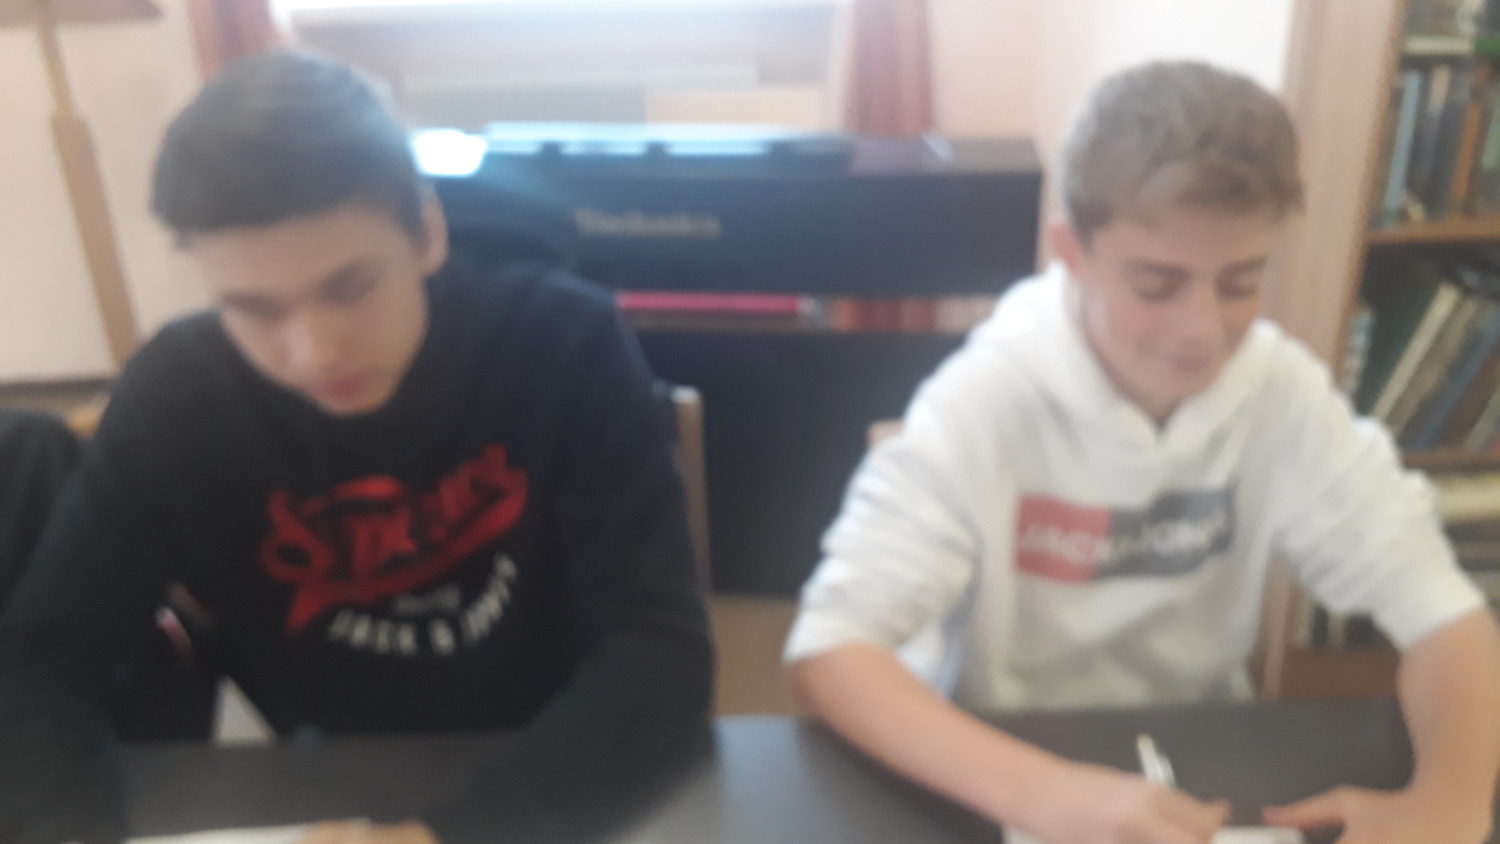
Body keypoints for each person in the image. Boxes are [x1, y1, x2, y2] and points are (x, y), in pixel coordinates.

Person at [0, 50, 712, 844]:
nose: (314, 353)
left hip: (567, 763)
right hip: (328, 770)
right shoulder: (176, 394)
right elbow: (42, 662)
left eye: (351, 287)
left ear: (427, 232)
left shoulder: (565, 343)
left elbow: (660, 661)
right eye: (254, 309)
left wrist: (449, 836)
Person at [785, 61, 1500, 844]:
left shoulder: (1280, 389)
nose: (1201, 331)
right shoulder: (985, 398)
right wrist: (1045, 795)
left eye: (1240, 283)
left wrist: (1452, 803)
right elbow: (831, 649)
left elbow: (1445, 614)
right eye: (1157, 285)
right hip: (1005, 753)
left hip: (1205, 750)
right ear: (1072, 253)